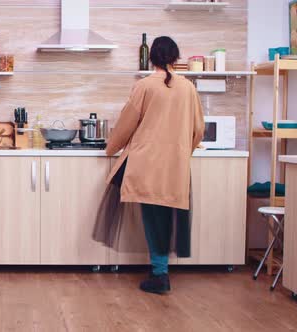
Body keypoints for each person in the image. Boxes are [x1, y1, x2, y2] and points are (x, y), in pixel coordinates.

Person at [95, 36, 205, 294]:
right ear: (175, 58)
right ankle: (160, 272)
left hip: (145, 162)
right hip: (174, 164)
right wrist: (182, 152)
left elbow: (126, 124)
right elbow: (198, 129)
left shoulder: (144, 86)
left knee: (152, 216)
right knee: (166, 215)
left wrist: (110, 148)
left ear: (151, 57)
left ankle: (159, 274)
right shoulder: (188, 88)